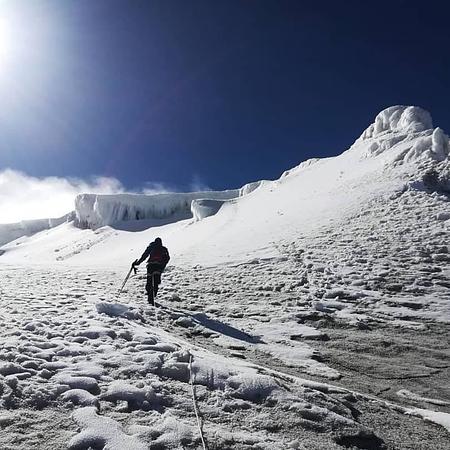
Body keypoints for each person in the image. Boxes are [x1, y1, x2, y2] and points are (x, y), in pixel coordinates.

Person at [132, 237, 170, 305]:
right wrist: (162, 266)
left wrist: (138, 263)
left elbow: (145, 255)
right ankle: (152, 296)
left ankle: (149, 297)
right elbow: (167, 258)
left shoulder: (151, 247)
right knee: (156, 282)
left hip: (150, 266)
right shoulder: (164, 249)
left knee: (149, 281)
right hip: (158, 267)